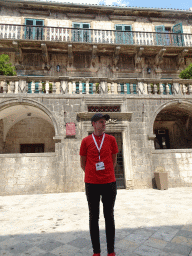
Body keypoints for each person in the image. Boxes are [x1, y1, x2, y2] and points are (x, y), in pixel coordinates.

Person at [79, 113, 118, 256]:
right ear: (94, 124)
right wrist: (92, 173)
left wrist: (107, 172)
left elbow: (114, 159)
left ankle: (111, 250)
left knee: (109, 216)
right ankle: (96, 251)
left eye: (104, 122)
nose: (104, 124)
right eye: (101, 122)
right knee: (93, 216)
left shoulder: (111, 139)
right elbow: (83, 162)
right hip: (92, 184)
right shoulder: (86, 141)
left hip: (109, 183)